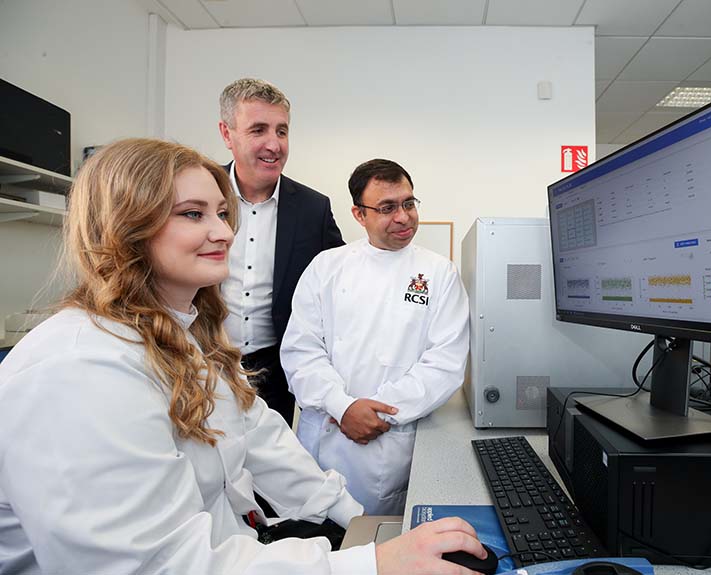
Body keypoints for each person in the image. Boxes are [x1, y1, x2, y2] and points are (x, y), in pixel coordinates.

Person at [0, 139, 489, 575]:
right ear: (125, 229)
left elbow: (259, 434)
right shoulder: (77, 371)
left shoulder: (186, 338)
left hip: (236, 542)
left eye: (221, 212)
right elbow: (155, 565)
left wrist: (356, 519)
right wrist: (371, 562)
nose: (226, 233)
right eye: (194, 214)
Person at [281, 159, 470, 515]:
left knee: (377, 547)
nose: (403, 217)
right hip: (325, 436)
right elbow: (300, 351)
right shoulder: (326, 267)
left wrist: (380, 414)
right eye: (387, 208)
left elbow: (444, 364)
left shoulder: (438, 273)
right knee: (311, 542)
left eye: (409, 203)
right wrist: (343, 406)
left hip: (387, 443)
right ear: (358, 214)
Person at [218, 78, 344, 427]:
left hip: (274, 374)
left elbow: (342, 286)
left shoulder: (312, 209)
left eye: (282, 131)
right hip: (201, 362)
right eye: (258, 130)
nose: (274, 144)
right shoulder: (194, 192)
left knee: (268, 474)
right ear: (227, 134)